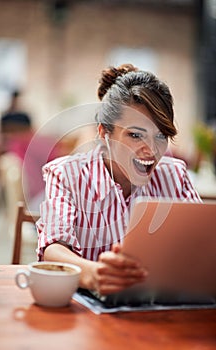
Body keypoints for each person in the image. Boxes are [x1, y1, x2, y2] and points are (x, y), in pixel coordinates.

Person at [36, 63, 201, 296]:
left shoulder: (175, 175)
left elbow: (201, 246)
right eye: (135, 135)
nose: (151, 150)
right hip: (89, 314)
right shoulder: (66, 174)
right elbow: (53, 248)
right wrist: (94, 273)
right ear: (104, 134)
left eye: (160, 135)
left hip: (159, 309)